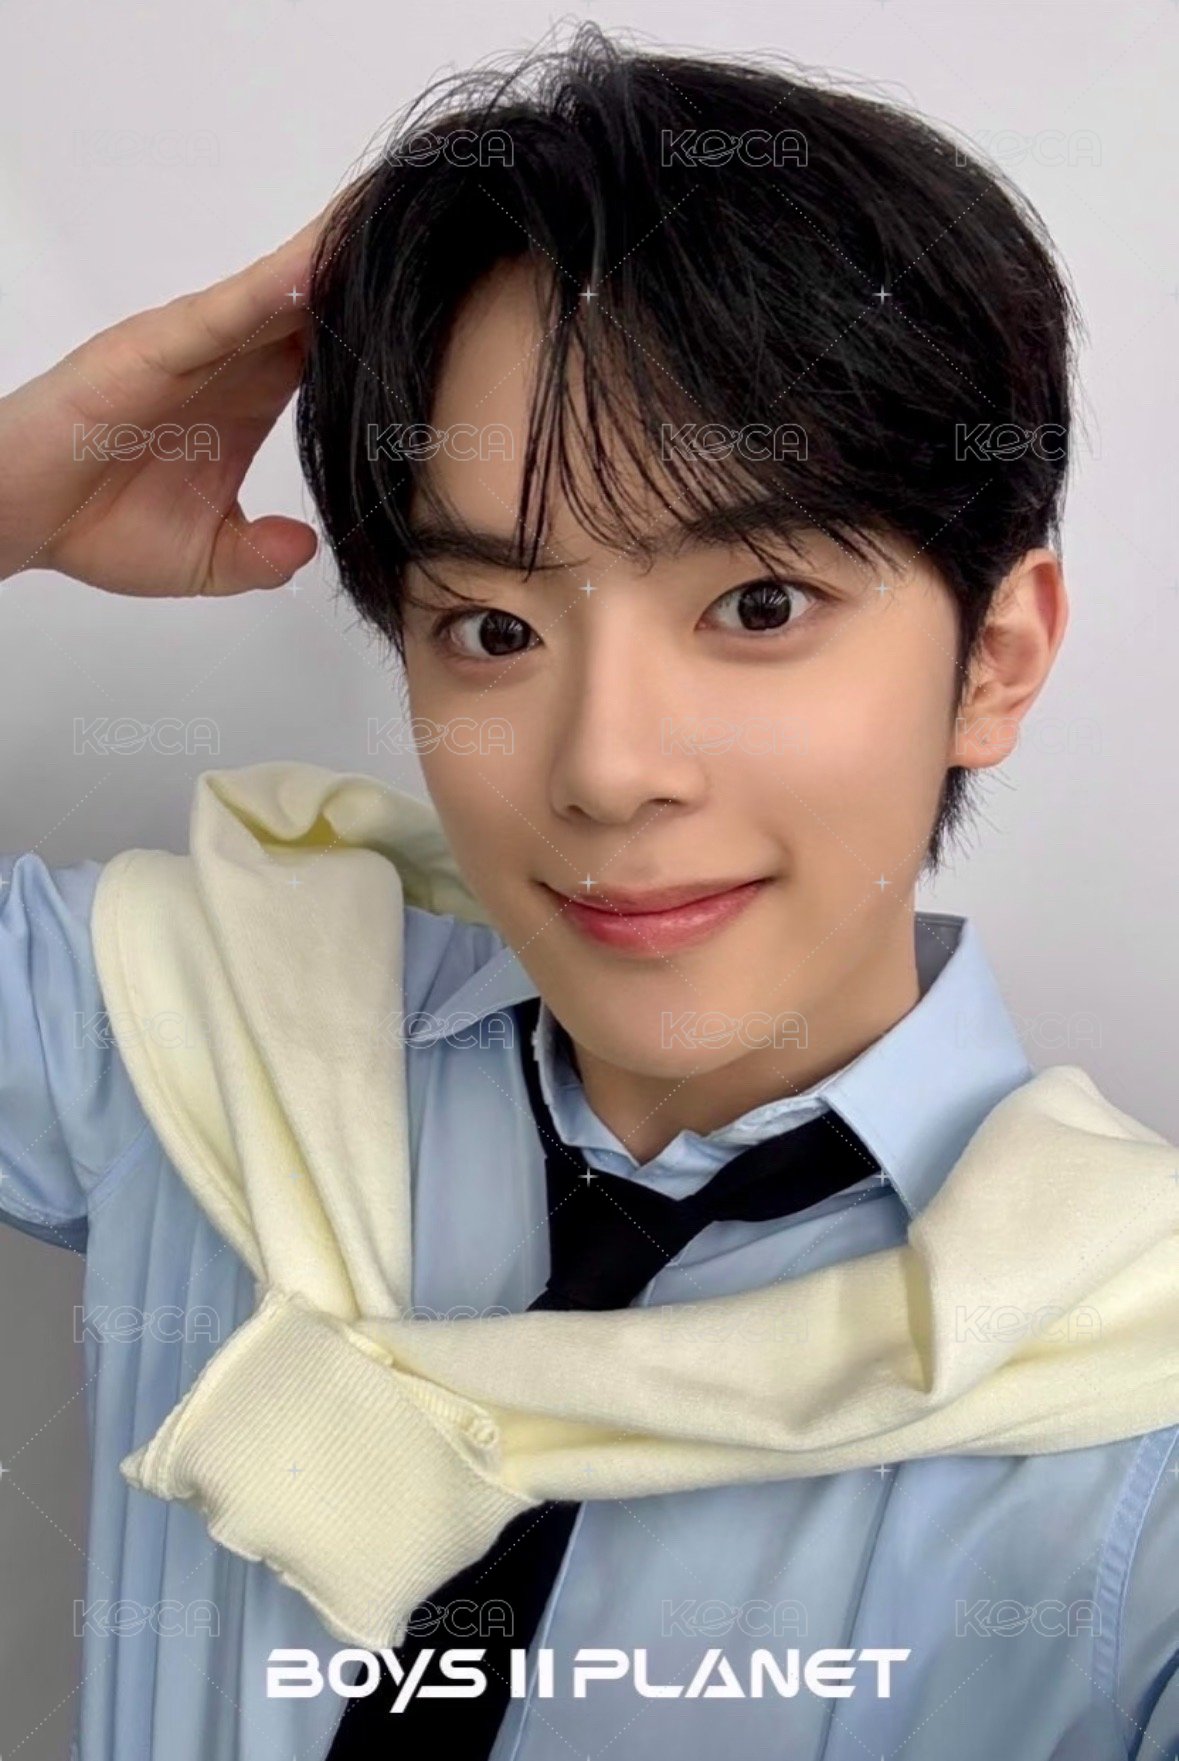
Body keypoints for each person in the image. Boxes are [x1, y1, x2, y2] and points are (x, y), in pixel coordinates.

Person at [1, 23, 1175, 1761]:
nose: (608, 768)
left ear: (994, 659)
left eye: (759, 605)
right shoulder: (197, 1040)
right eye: (494, 627)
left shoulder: (1128, 1395)